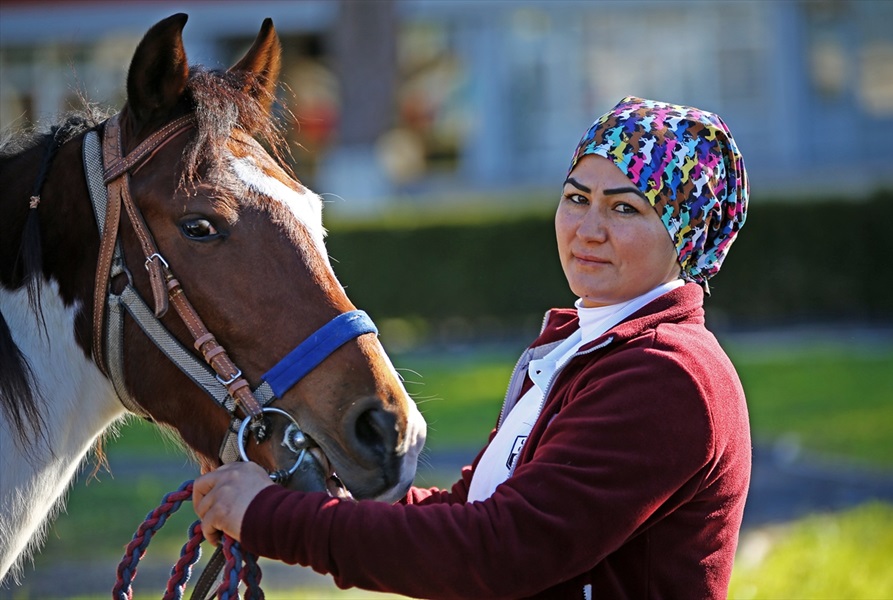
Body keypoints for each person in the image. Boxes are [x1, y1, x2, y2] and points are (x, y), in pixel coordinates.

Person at [193, 96, 751, 600]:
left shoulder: (666, 374)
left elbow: (500, 552)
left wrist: (272, 518)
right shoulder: (585, 347)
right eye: (577, 198)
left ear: (685, 232)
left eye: (624, 208)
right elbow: (470, 514)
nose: (588, 228)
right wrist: (307, 488)